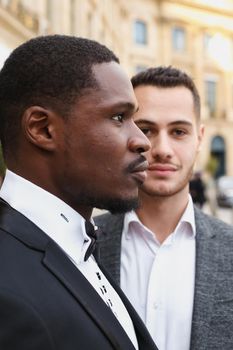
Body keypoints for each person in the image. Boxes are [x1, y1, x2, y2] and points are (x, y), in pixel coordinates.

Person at [0, 35, 158, 350]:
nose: (143, 141)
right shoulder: (7, 288)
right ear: (43, 129)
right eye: (118, 117)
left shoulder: (74, 242)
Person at [95, 66, 233, 350]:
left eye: (179, 131)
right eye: (146, 129)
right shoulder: (84, 244)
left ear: (199, 139)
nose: (162, 148)